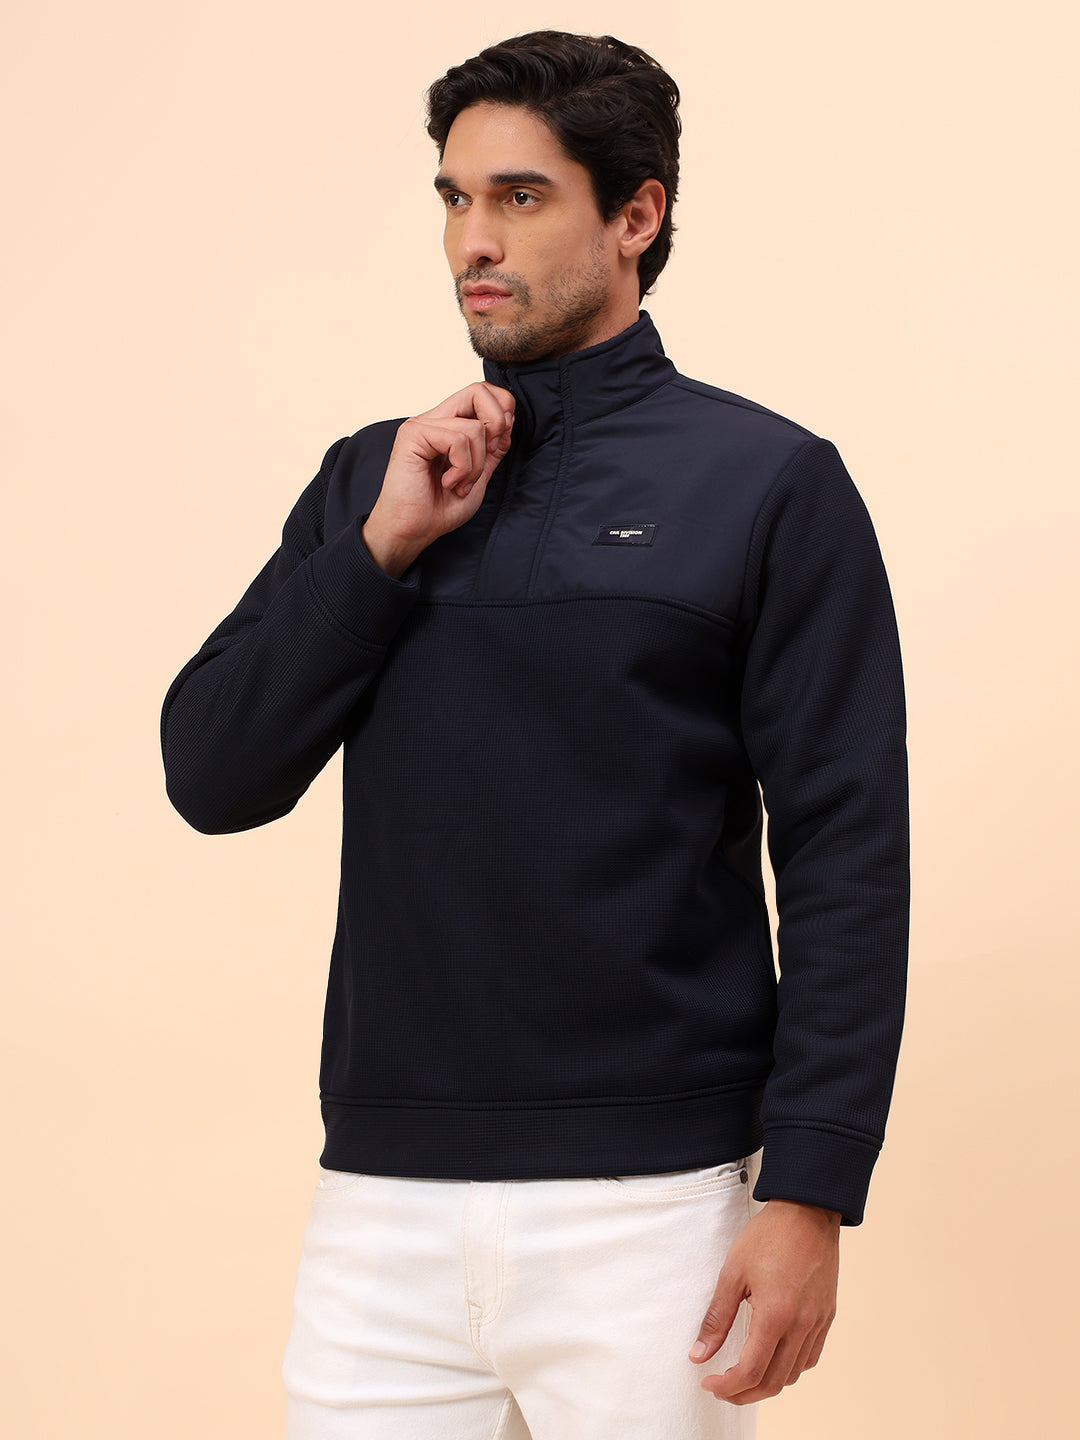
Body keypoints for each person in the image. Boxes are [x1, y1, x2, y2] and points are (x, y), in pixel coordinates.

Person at [160, 29, 909, 1440]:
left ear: (637, 215)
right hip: (379, 1207)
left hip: (655, 1213)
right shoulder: (375, 478)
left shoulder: (768, 482)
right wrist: (380, 548)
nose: (473, 242)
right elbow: (211, 771)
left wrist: (811, 1187)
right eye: (454, 198)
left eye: (519, 196)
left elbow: (847, 850)